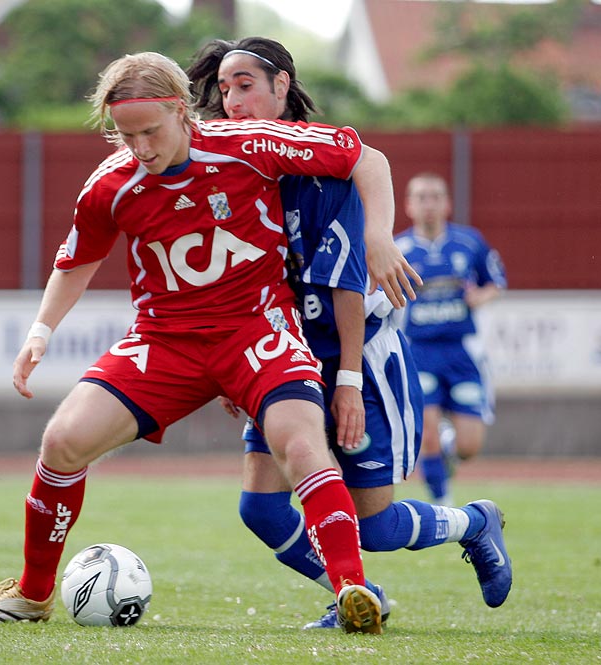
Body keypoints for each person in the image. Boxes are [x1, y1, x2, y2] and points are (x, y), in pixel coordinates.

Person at [0, 50, 416, 634]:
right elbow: (77, 260)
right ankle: (31, 593)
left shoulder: (248, 144)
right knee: (62, 440)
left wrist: (377, 236)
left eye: (150, 130)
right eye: (126, 136)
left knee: (300, 446)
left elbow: (365, 158)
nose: (141, 147)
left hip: (256, 330)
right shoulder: (111, 184)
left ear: (180, 110)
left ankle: (354, 590)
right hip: (165, 342)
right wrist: (40, 333)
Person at [187, 36, 513, 629]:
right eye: (225, 89)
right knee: (260, 509)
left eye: (246, 86)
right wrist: (234, 366)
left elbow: (344, 285)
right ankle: (354, 593)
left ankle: (472, 522)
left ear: (282, 86)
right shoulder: (229, 175)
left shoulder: (319, 168)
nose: (232, 101)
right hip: (278, 359)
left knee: (375, 526)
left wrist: (346, 380)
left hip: (354, 355)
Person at [395, 173, 507, 506]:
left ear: (447, 204)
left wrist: (480, 297)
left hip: (462, 352)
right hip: (420, 352)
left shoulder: (469, 242)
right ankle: (443, 506)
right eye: (421, 197)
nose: (428, 204)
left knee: (469, 447)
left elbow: (495, 282)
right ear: (408, 205)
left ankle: (448, 451)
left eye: (435, 197)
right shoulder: (398, 248)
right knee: (426, 430)